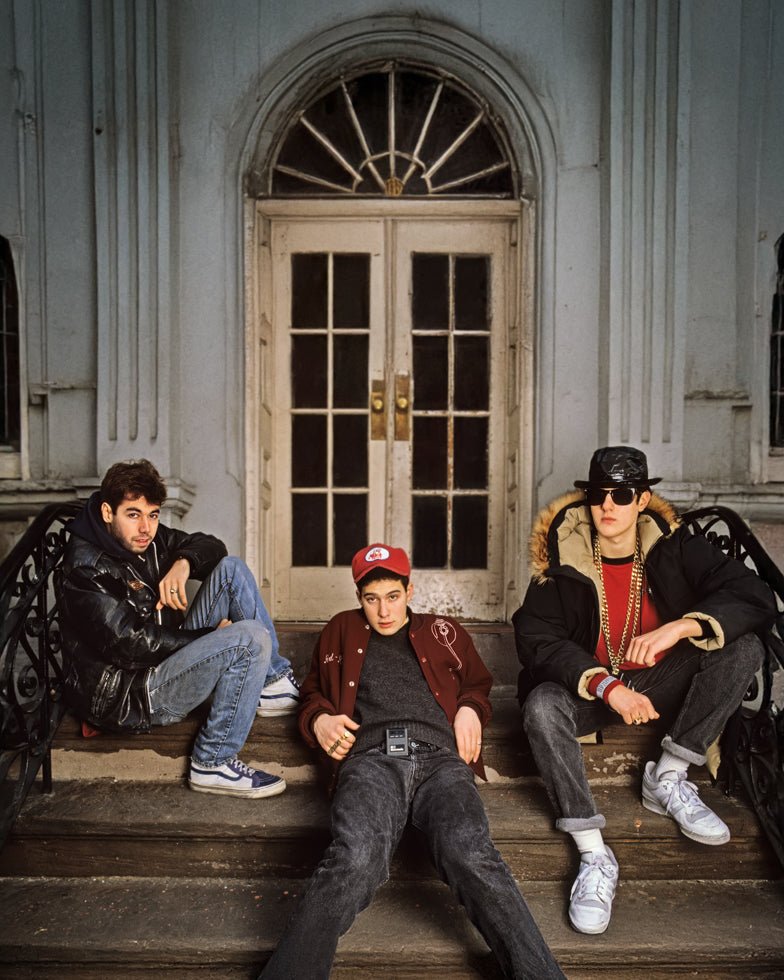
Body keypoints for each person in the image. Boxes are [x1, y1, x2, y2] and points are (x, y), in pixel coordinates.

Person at [260, 543, 565, 980]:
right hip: (371, 760)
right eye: (371, 599)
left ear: (409, 590)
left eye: (392, 596)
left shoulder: (445, 630)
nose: (383, 610)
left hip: (441, 761)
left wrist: (469, 709)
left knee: (470, 851)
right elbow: (311, 697)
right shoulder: (339, 631)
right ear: (358, 596)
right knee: (356, 856)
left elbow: (477, 686)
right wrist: (321, 720)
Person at [513, 446, 776, 935]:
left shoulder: (674, 549)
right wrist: (607, 685)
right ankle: (594, 855)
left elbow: (755, 595)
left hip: (659, 683)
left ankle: (670, 776)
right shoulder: (562, 560)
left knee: (743, 650)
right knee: (541, 705)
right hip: (591, 693)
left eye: (622, 494)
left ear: (642, 500)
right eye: (597, 494)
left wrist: (681, 628)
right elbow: (537, 638)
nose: (608, 505)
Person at [57, 458, 299, 798]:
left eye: (153, 515)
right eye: (133, 514)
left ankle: (272, 683)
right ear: (108, 512)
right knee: (249, 637)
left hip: (162, 661)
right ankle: (213, 760)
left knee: (231, 569)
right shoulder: (87, 568)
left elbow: (213, 546)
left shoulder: (150, 541)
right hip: (133, 692)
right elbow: (130, 645)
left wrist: (183, 563)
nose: (145, 527)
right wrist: (208, 636)